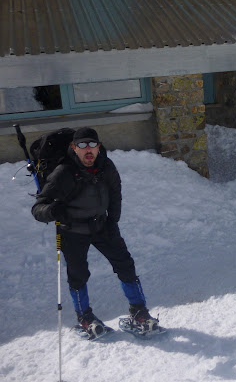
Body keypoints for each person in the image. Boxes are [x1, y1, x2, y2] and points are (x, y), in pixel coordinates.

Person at [31, 127, 159, 338]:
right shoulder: (62, 173)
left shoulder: (106, 167)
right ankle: (85, 318)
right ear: (74, 148)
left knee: (125, 264)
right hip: (72, 231)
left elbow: (116, 195)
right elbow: (38, 209)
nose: (87, 150)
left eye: (92, 144)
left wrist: (112, 221)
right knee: (78, 275)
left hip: (102, 226)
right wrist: (52, 211)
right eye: (82, 145)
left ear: (99, 147)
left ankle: (139, 313)